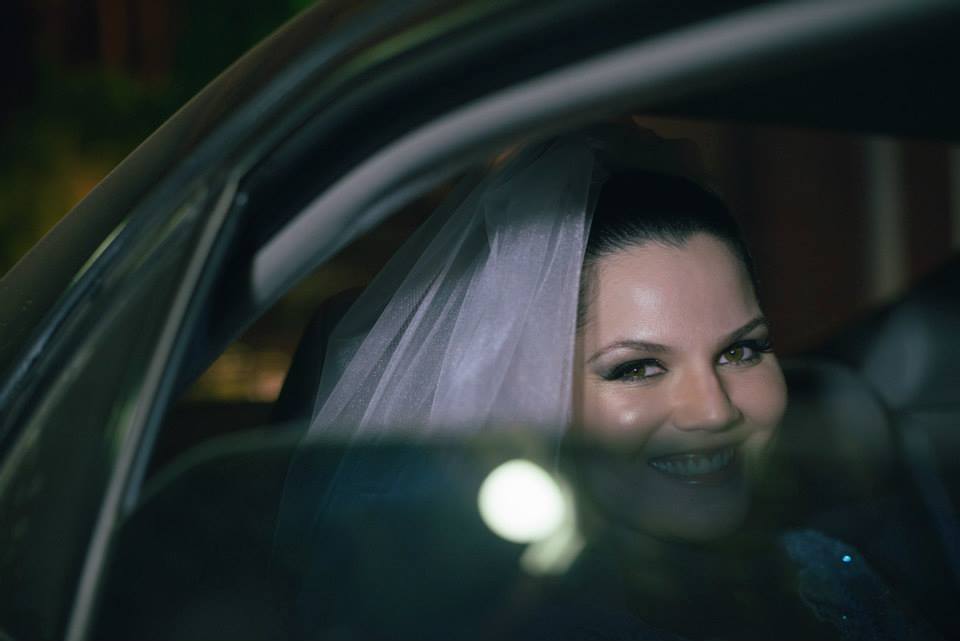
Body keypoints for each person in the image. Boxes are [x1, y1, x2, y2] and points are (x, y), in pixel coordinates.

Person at [276, 124, 939, 640]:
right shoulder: (489, 624)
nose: (711, 410)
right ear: (531, 389)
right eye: (636, 367)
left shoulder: (828, 572)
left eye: (742, 351)